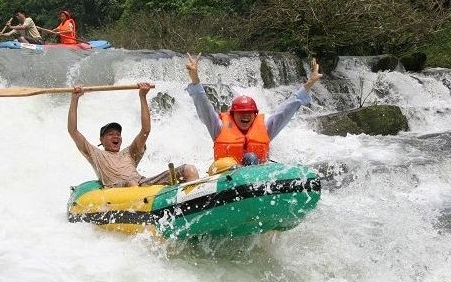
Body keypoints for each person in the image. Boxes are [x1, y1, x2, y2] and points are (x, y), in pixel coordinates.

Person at [185, 53, 323, 167]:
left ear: (255, 114)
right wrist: (195, 80)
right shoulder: (218, 128)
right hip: (225, 177)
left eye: (249, 113)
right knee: (237, 161)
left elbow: (286, 110)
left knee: (251, 158)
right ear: (232, 115)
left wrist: (309, 84)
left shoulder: (266, 129)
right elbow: (204, 107)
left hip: (255, 178)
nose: (245, 116)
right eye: (241, 113)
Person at [68, 82, 199, 187]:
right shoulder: (95, 154)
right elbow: (73, 131)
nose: (116, 136)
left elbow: (145, 130)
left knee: (189, 169)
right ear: (101, 140)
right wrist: (75, 99)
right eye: (110, 134)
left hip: (141, 183)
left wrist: (142, 96)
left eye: (118, 134)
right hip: (117, 189)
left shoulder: (129, 153)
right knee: (131, 183)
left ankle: (194, 203)